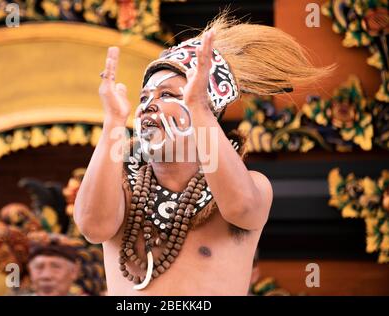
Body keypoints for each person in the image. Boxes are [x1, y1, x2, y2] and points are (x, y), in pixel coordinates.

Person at [74, 14, 333, 295]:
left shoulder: (253, 185)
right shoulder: (121, 188)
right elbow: (93, 227)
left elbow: (242, 207)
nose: (149, 105)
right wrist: (113, 121)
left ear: (207, 111)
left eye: (167, 95)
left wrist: (198, 107)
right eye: (144, 97)